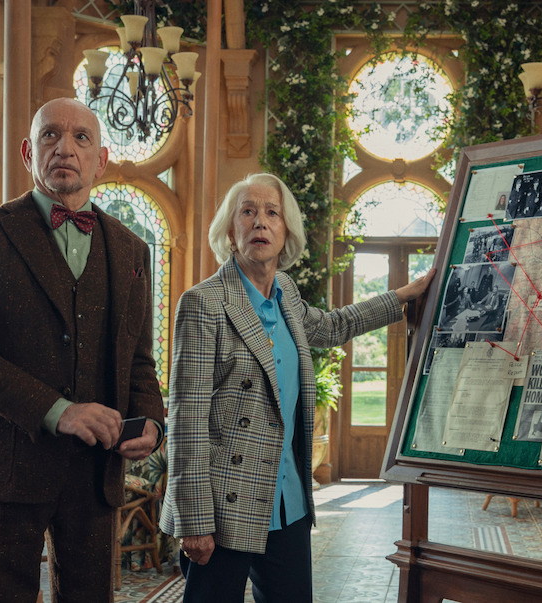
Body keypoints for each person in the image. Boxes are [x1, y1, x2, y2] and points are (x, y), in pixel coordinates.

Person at [160, 173, 434, 603]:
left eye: (272, 213)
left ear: (286, 231)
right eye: (247, 212)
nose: (260, 222)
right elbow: (186, 419)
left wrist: (403, 296)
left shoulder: (285, 292)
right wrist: (194, 520)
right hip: (223, 507)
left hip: (288, 503)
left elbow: (333, 325)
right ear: (230, 232)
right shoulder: (203, 303)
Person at [0, 97, 165, 602]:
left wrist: (151, 419)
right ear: (28, 152)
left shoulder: (132, 249)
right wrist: (59, 412)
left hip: (94, 476)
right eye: (50, 135)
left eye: (81, 137)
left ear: (100, 160)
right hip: (2, 470)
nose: (65, 147)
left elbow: (139, 358)